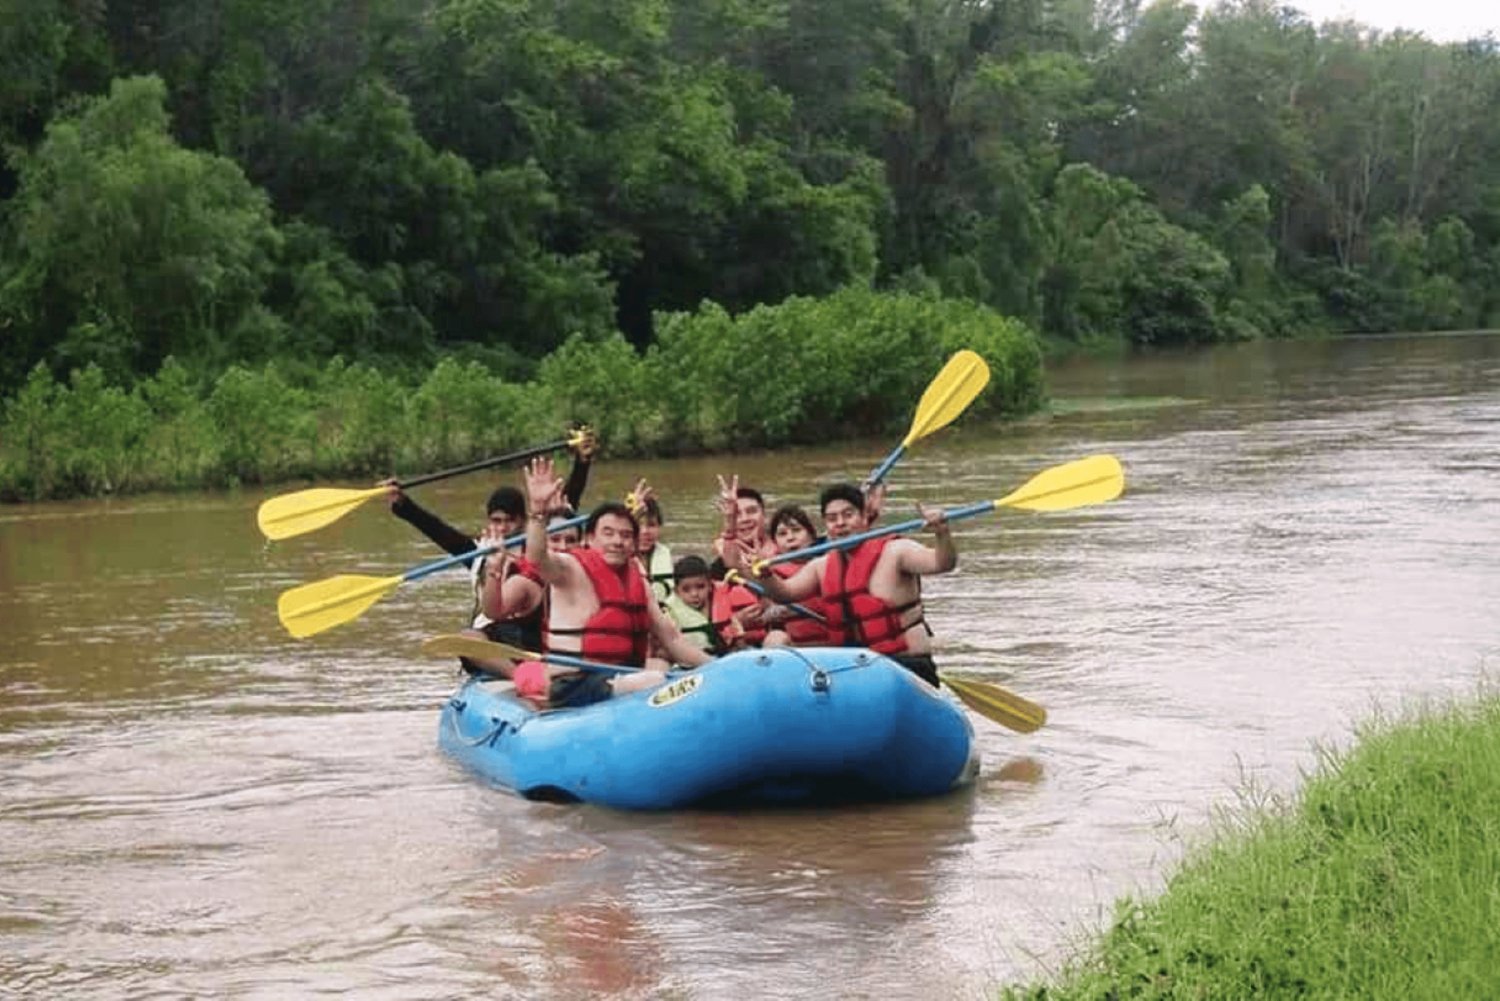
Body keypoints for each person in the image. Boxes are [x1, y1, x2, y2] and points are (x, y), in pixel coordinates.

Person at [383, 430, 596, 670]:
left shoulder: (541, 542)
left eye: (510, 521)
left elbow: (563, 510)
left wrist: (582, 462)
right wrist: (402, 504)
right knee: (470, 637)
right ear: (488, 521)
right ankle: (514, 674)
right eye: (496, 521)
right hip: (494, 634)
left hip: (532, 632)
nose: (503, 528)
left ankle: (530, 674)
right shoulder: (476, 550)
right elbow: (435, 528)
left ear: (524, 520)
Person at [510, 457, 711, 708]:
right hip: (575, 685)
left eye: (626, 536)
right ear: (591, 537)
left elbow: (673, 640)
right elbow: (537, 557)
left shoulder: (637, 581)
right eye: (609, 533)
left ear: (634, 544)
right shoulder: (570, 568)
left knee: (663, 671)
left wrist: (717, 669)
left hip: (620, 679)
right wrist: (538, 511)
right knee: (655, 679)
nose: (618, 541)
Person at [724, 483, 956, 687]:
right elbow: (785, 593)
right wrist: (764, 573)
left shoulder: (897, 550)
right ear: (826, 525)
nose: (840, 523)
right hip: (853, 672)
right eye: (832, 519)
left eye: (848, 515)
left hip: (907, 667)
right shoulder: (823, 566)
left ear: (865, 517)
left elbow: (942, 563)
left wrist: (942, 534)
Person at [761, 504, 837, 648]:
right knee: (774, 638)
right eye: (782, 534)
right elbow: (768, 610)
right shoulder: (771, 573)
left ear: (811, 535)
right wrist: (776, 611)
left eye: (796, 530)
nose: (790, 538)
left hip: (836, 646)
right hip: (797, 648)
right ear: (775, 543)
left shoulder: (830, 559)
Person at [627, 482, 674, 606]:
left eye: (651, 525)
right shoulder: (618, 554)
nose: (645, 532)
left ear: (660, 527)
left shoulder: (665, 553)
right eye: (638, 525)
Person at [662, 555, 719, 655]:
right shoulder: (669, 612)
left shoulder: (722, 602)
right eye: (686, 589)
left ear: (710, 586)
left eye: (700, 587)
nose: (694, 594)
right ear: (676, 591)